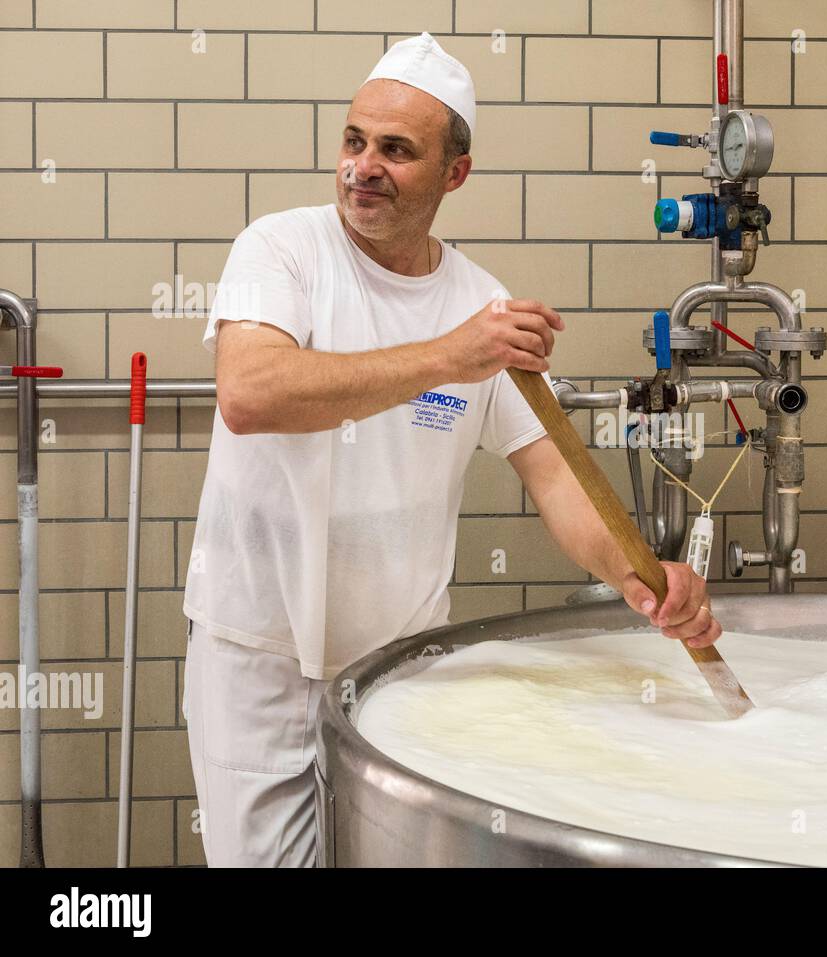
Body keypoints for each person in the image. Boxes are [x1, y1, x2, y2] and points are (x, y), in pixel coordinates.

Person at [180, 33, 720, 867]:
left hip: (398, 669)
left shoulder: (479, 304)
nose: (364, 166)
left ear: (454, 173)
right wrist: (450, 356)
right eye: (355, 140)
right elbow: (252, 395)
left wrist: (643, 578)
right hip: (261, 658)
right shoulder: (282, 248)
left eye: (396, 150)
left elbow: (559, 479)